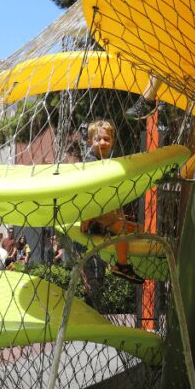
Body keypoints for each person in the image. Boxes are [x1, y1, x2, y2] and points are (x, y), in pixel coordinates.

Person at [80, 120, 143, 283]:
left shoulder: (107, 162)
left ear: (112, 141)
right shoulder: (90, 162)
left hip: (108, 215)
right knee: (122, 230)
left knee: (139, 230)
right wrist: (86, 216)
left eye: (106, 139)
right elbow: (86, 190)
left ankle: (119, 255)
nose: (102, 142)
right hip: (97, 218)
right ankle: (121, 265)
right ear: (89, 141)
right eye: (97, 139)